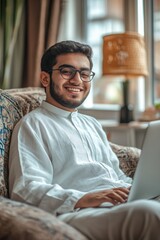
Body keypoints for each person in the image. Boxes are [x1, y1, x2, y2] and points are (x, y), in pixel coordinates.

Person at [9, 40, 160, 240]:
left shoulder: (92, 124)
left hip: (117, 205)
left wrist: (133, 189)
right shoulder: (32, 125)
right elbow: (25, 188)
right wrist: (83, 198)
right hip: (76, 212)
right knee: (148, 213)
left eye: (84, 73)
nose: (77, 80)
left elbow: (115, 174)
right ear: (45, 78)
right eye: (66, 71)